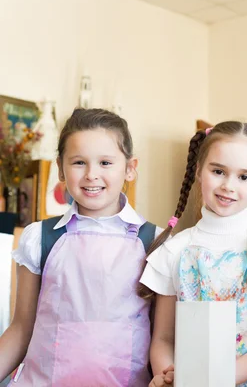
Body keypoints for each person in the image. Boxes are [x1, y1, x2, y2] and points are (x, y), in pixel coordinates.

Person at [139, 121, 247, 387]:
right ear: (198, 171)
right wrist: (169, 376)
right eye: (218, 171)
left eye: (244, 177)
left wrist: (216, 380)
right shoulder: (174, 250)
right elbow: (163, 339)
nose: (229, 185)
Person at [0, 108, 159, 386]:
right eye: (79, 163)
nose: (91, 174)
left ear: (130, 168)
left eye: (105, 163)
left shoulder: (154, 242)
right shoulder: (40, 238)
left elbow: (162, 339)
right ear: (60, 167)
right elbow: (21, 329)